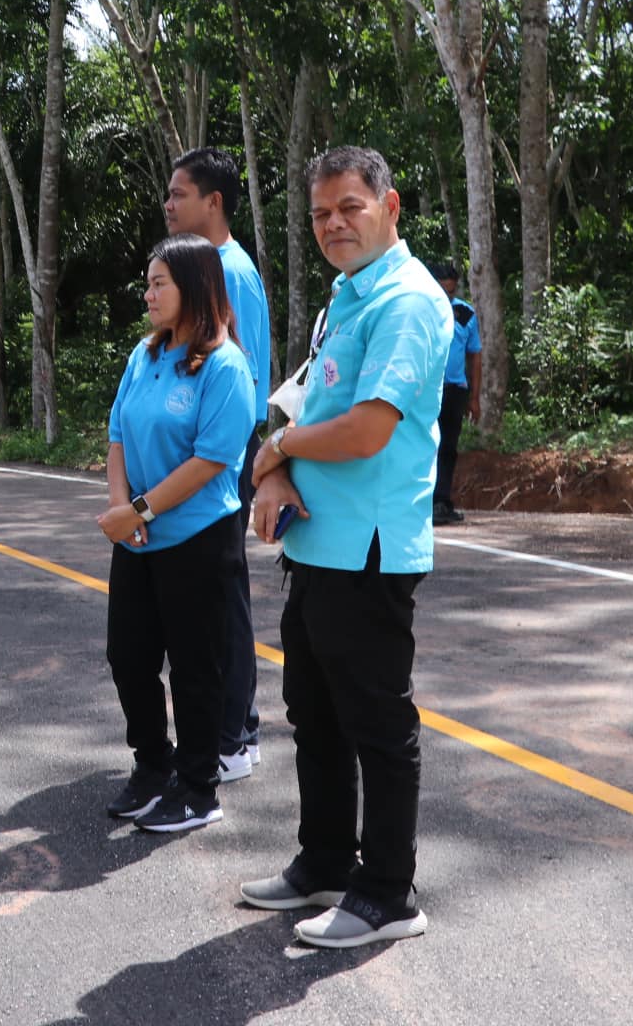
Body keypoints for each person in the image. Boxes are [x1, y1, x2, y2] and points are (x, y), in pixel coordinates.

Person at [243, 146, 449, 949]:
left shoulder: (407, 302)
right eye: (322, 213)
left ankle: (386, 895)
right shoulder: (348, 295)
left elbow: (367, 429)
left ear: (389, 206)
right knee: (315, 716)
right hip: (316, 545)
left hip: (368, 550)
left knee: (376, 725)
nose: (335, 224)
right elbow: (302, 399)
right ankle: (325, 860)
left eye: (350, 208)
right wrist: (272, 469)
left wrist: (278, 449)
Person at [97, 235, 256, 833]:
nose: (149, 294)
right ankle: (152, 765)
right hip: (136, 538)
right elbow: (117, 433)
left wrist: (138, 510)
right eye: (148, 282)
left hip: (195, 539)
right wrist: (121, 508)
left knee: (196, 667)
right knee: (128, 657)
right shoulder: (145, 354)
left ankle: (197, 788)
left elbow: (212, 460)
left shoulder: (225, 366)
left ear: (194, 286)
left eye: (159, 282)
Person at [162, 148, 272, 784]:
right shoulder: (200, 266)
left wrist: (232, 462)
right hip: (202, 456)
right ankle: (233, 730)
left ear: (214, 202)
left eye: (180, 194)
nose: (170, 205)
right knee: (207, 599)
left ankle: (235, 735)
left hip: (222, 458)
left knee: (221, 597)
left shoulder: (231, 270)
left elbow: (245, 376)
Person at [428, 261, 481, 526]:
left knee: (448, 447)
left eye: (450, 292)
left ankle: (441, 501)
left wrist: (474, 397)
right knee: (426, 445)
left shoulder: (465, 314)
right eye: (441, 290)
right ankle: (422, 502)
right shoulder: (419, 311)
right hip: (425, 391)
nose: (445, 297)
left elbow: (475, 355)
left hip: (454, 391)